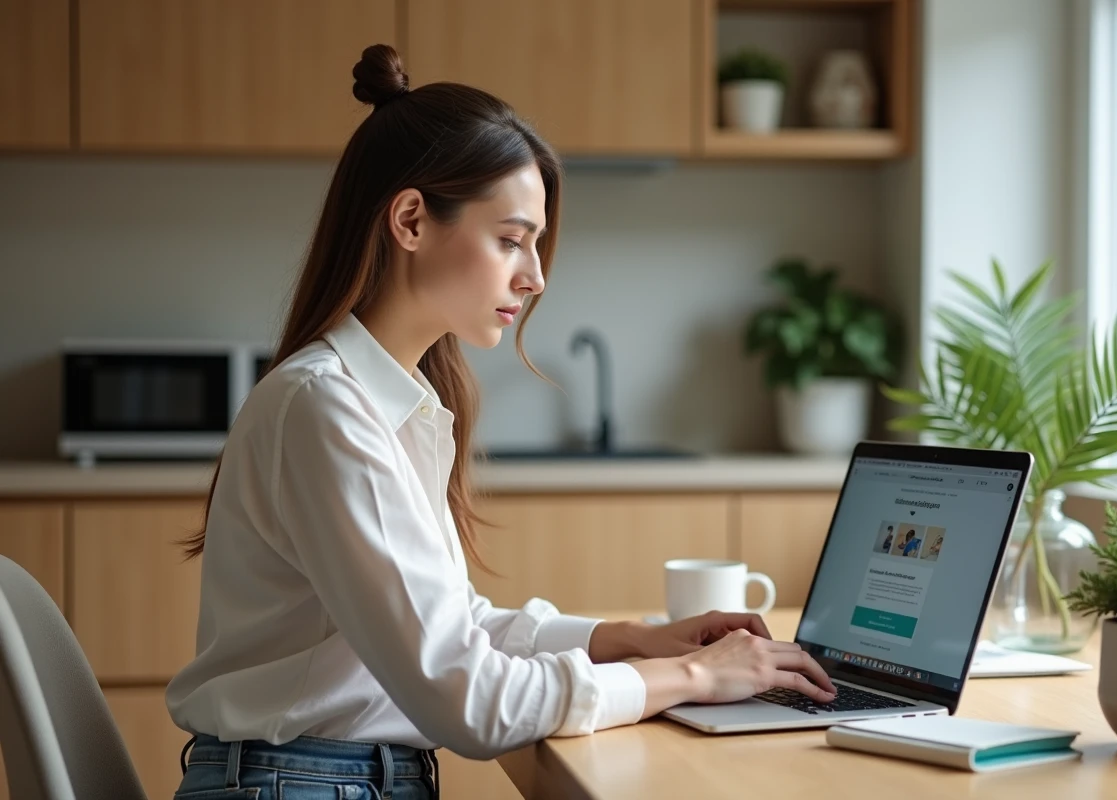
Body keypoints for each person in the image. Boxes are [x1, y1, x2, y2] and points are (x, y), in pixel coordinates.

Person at [165, 45, 836, 800]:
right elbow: (472, 701)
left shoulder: (388, 401)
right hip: (301, 785)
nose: (535, 276)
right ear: (411, 220)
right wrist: (688, 676)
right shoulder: (326, 408)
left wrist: (631, 640)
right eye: (511, 240)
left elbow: (452, 626)